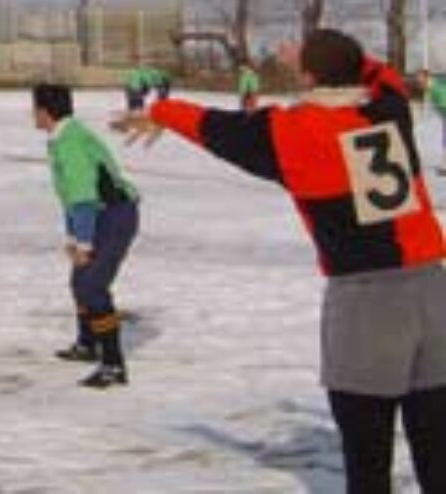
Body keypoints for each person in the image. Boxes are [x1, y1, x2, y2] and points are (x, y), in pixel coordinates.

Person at [113, 29, 446, 493]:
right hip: (433, 290)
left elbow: (214, 127)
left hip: (366, 303)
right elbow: (379, 72)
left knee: (367, 458)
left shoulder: (290, 131)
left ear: (307, 74)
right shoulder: (389, 108)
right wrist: (331, 58)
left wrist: (162, 111)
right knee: (437, 448)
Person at [33, 83, 140, 389]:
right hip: (100, 214)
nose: (33, 115)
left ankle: (113, 364)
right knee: (80, 281)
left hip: (115, 215)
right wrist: (72, 236)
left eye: (35, 109)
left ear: (44, 112)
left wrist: (84, 243)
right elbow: (71, 195)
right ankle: (88, 343)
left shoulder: (69, 141)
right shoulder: (62, 137)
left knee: (92, 285)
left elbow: (82, 196)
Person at [416, 69, 446, 174]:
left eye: (419, 78)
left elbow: (443, 103)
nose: (417, 80)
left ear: (426, 77)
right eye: (417, 78)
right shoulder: (430, 88)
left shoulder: (435, 88)